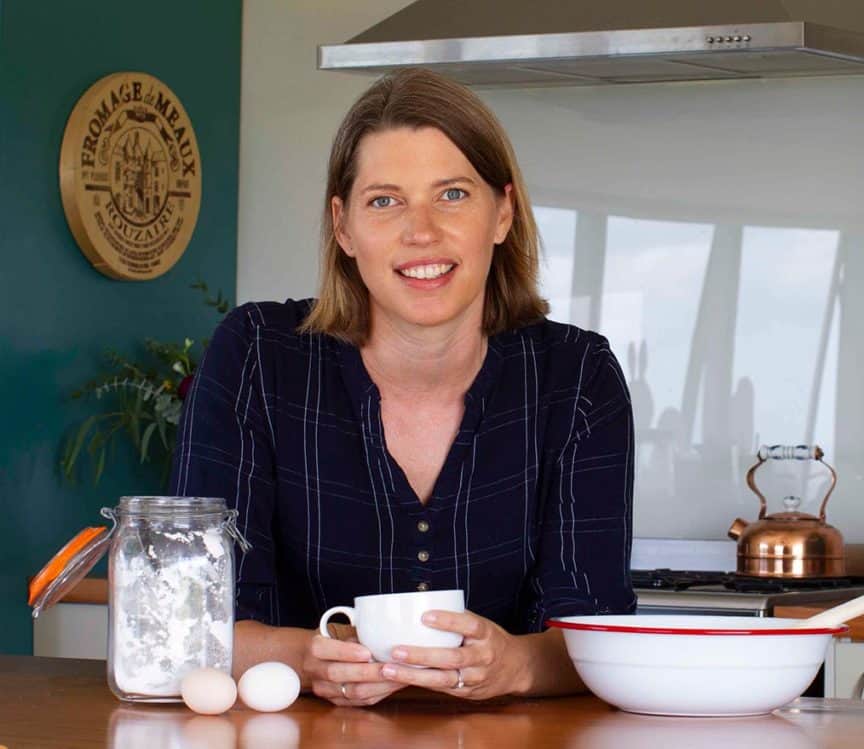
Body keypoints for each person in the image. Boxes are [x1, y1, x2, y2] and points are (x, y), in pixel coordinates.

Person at [171, 67, 635, 706]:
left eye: (452, 195)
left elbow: (598, 634)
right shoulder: (256, 354)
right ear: (343, 226)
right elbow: (199, 619)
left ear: (502, 213)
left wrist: (518, 665)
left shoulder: (577, 376)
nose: (422, 231)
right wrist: (307, 660)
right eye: (384, 200)